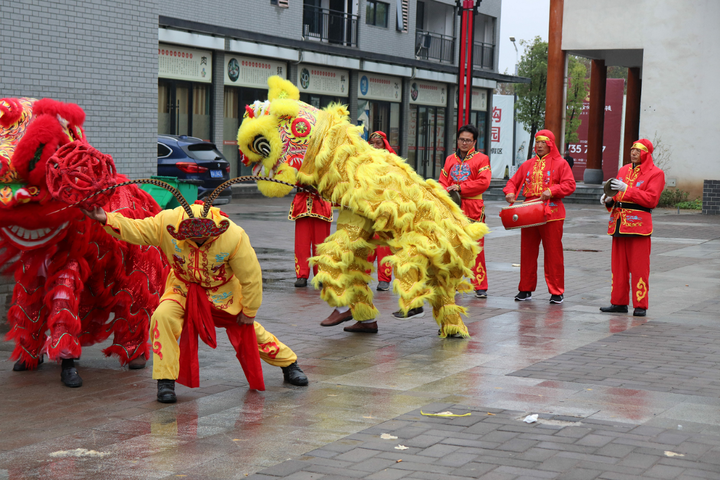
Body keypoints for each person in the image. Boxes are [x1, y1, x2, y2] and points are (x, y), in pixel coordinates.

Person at [82, 202, 308, 403]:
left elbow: (251, 277)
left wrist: (249, 310)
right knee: (163, 317)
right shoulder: (167, 222)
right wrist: (106, 218)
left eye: (204, 238)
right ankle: (165, 382)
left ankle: (289, 364)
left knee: (248, 330)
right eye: (193, 239)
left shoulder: (234, 235)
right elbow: (138, 229)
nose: (199, 242)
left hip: (222, 294)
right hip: (182, 288)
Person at [503, 129, 576, 304]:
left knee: (553, 254)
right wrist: (510, 192)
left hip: (552, 213)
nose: (540, 145)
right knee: (527, 253)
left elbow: (570, 185)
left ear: (550, 144)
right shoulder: (527, 164)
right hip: (529, 213)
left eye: (543, 142)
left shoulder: (561, 164)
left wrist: (552, 190)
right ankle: (525, 289)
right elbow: (512, 182)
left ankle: (557, 291)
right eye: (537, 142)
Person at [599, 139, 665, 317]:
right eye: (632, 150)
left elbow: (651, 199)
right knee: (618, 267)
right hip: (619, 223)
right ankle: (618, 303)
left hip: (638, 225)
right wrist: (609, 200)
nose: (633, 153)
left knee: (639, 267)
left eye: (638, 150)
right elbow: (618, 194)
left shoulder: (656, 174)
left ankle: (640, 305)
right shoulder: (623, 170)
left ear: (646, 154)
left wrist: (626, 189)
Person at [439, 124, 491, 299]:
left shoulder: (482, 159)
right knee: (453, 246)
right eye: (461, 139)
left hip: (473, 209)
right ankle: (452, 282)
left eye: (468, 140)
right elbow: (442, 181)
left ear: (474, 141)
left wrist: (460, 187)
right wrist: (444, 190)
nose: (464, 143)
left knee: (475, 247)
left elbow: (483, 182)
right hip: (453, 209)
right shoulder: (449, 159)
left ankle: (480, 285)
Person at [367, 131, 395, 292]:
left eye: (379, 143)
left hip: (385, 207)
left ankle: (384, 279)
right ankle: (363, 275)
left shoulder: (392, 162)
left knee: (383, 243)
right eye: (372, 143)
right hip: (367, 207)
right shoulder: (363, 162)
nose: (375, 146)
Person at [290, 185, 332, 288]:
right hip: (302, 203)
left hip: (321, 202)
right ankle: (302, 275)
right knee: (301, 243)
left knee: (321, 244)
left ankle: (321, 274)